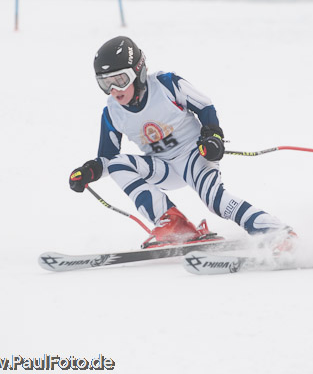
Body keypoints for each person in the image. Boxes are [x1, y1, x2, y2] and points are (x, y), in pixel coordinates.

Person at [69, 36, 294, 249]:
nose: (114, 90)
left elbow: (205, 107)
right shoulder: (112, 112)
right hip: (162, 167)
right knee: (117, 164)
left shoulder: (166, 84)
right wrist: (90, 171)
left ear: (138, 72)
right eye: (105, 83)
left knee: (214, 201)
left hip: (194, 157)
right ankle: (174, 223)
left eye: (120, 80)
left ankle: (277, 232)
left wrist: (212, 137)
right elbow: (108, 158)